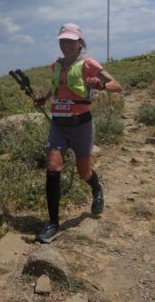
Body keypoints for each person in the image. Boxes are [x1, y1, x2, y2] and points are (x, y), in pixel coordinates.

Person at [33, 23, 123, 243]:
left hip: (81, 125)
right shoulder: (56, 65)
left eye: (71, 41)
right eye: (63, 40)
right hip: (58, 125)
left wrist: (101, 86)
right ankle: (53, 223)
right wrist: (45, 99)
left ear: (79, 43)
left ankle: (97, 188)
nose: (66, 44)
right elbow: (58, 86)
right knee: (52, 168)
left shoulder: (89, 64)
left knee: (84, 173)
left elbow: (117, 85)